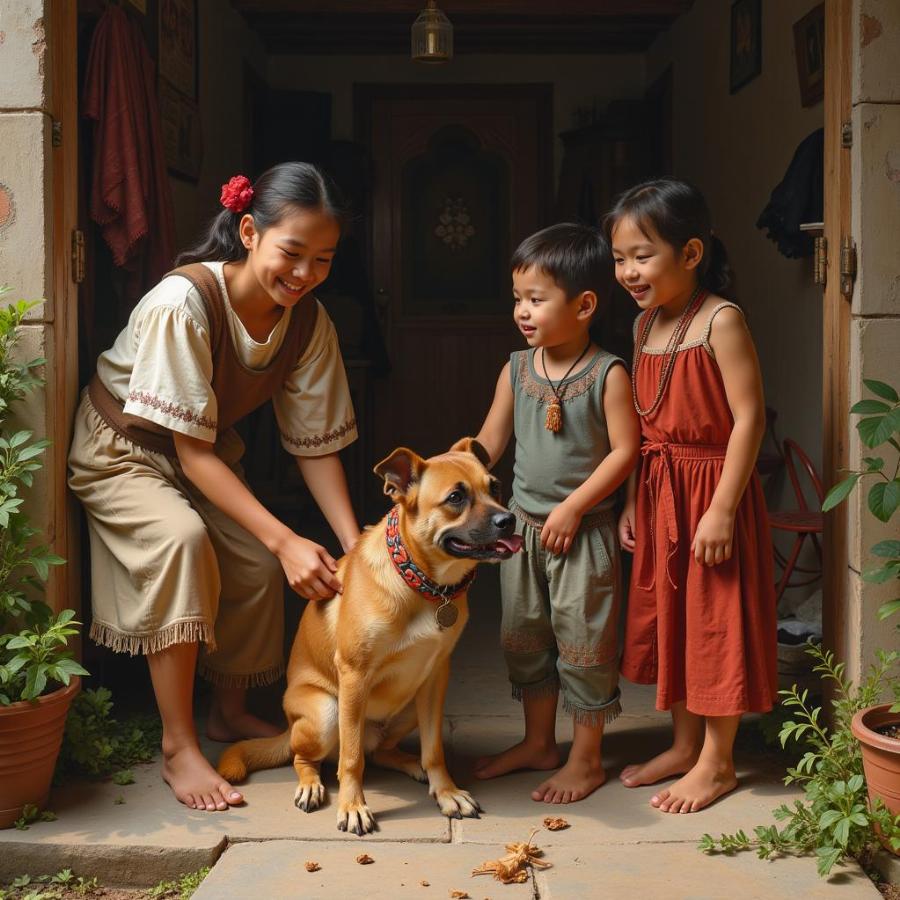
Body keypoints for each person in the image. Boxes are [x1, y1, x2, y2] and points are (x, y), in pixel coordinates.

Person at [68, 162, 361, 812]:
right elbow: (191, 453)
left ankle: (229, 713)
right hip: (123, 449)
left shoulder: (309, 323)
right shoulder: (185, 302)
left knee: (256, 562)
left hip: (200, 451)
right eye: (293, 252)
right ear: (250, 231)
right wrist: (288, 539)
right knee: (184, 540)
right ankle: (179, 745)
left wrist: (353, 543)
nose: (305, 273)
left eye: (323, 259)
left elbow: (314, 445)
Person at [610, 177, 778, 814]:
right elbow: (641, 422)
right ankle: (683, 745)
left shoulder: (721, 319)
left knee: (716, 620)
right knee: (671, 617)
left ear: (691, 252)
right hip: (659, 491)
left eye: (642, 255)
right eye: (620, 257)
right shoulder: (645, 321)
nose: (628, 270)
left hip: (711, 491)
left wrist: (723, 508)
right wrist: (631, 501)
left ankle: (718, 761)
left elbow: (749, 419)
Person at [473, 223, 640, 804]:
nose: (522, 311)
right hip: (522, 531)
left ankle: (586, 758)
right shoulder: (517, 369)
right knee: (525, 638)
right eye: (518, 297)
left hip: (583, 534)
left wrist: (573, 506)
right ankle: (539, 742)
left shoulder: (608, 374)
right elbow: (489, 443)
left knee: (583, 642)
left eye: (536, 299)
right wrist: (453, 463)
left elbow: (625, 452)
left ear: (585, 304)